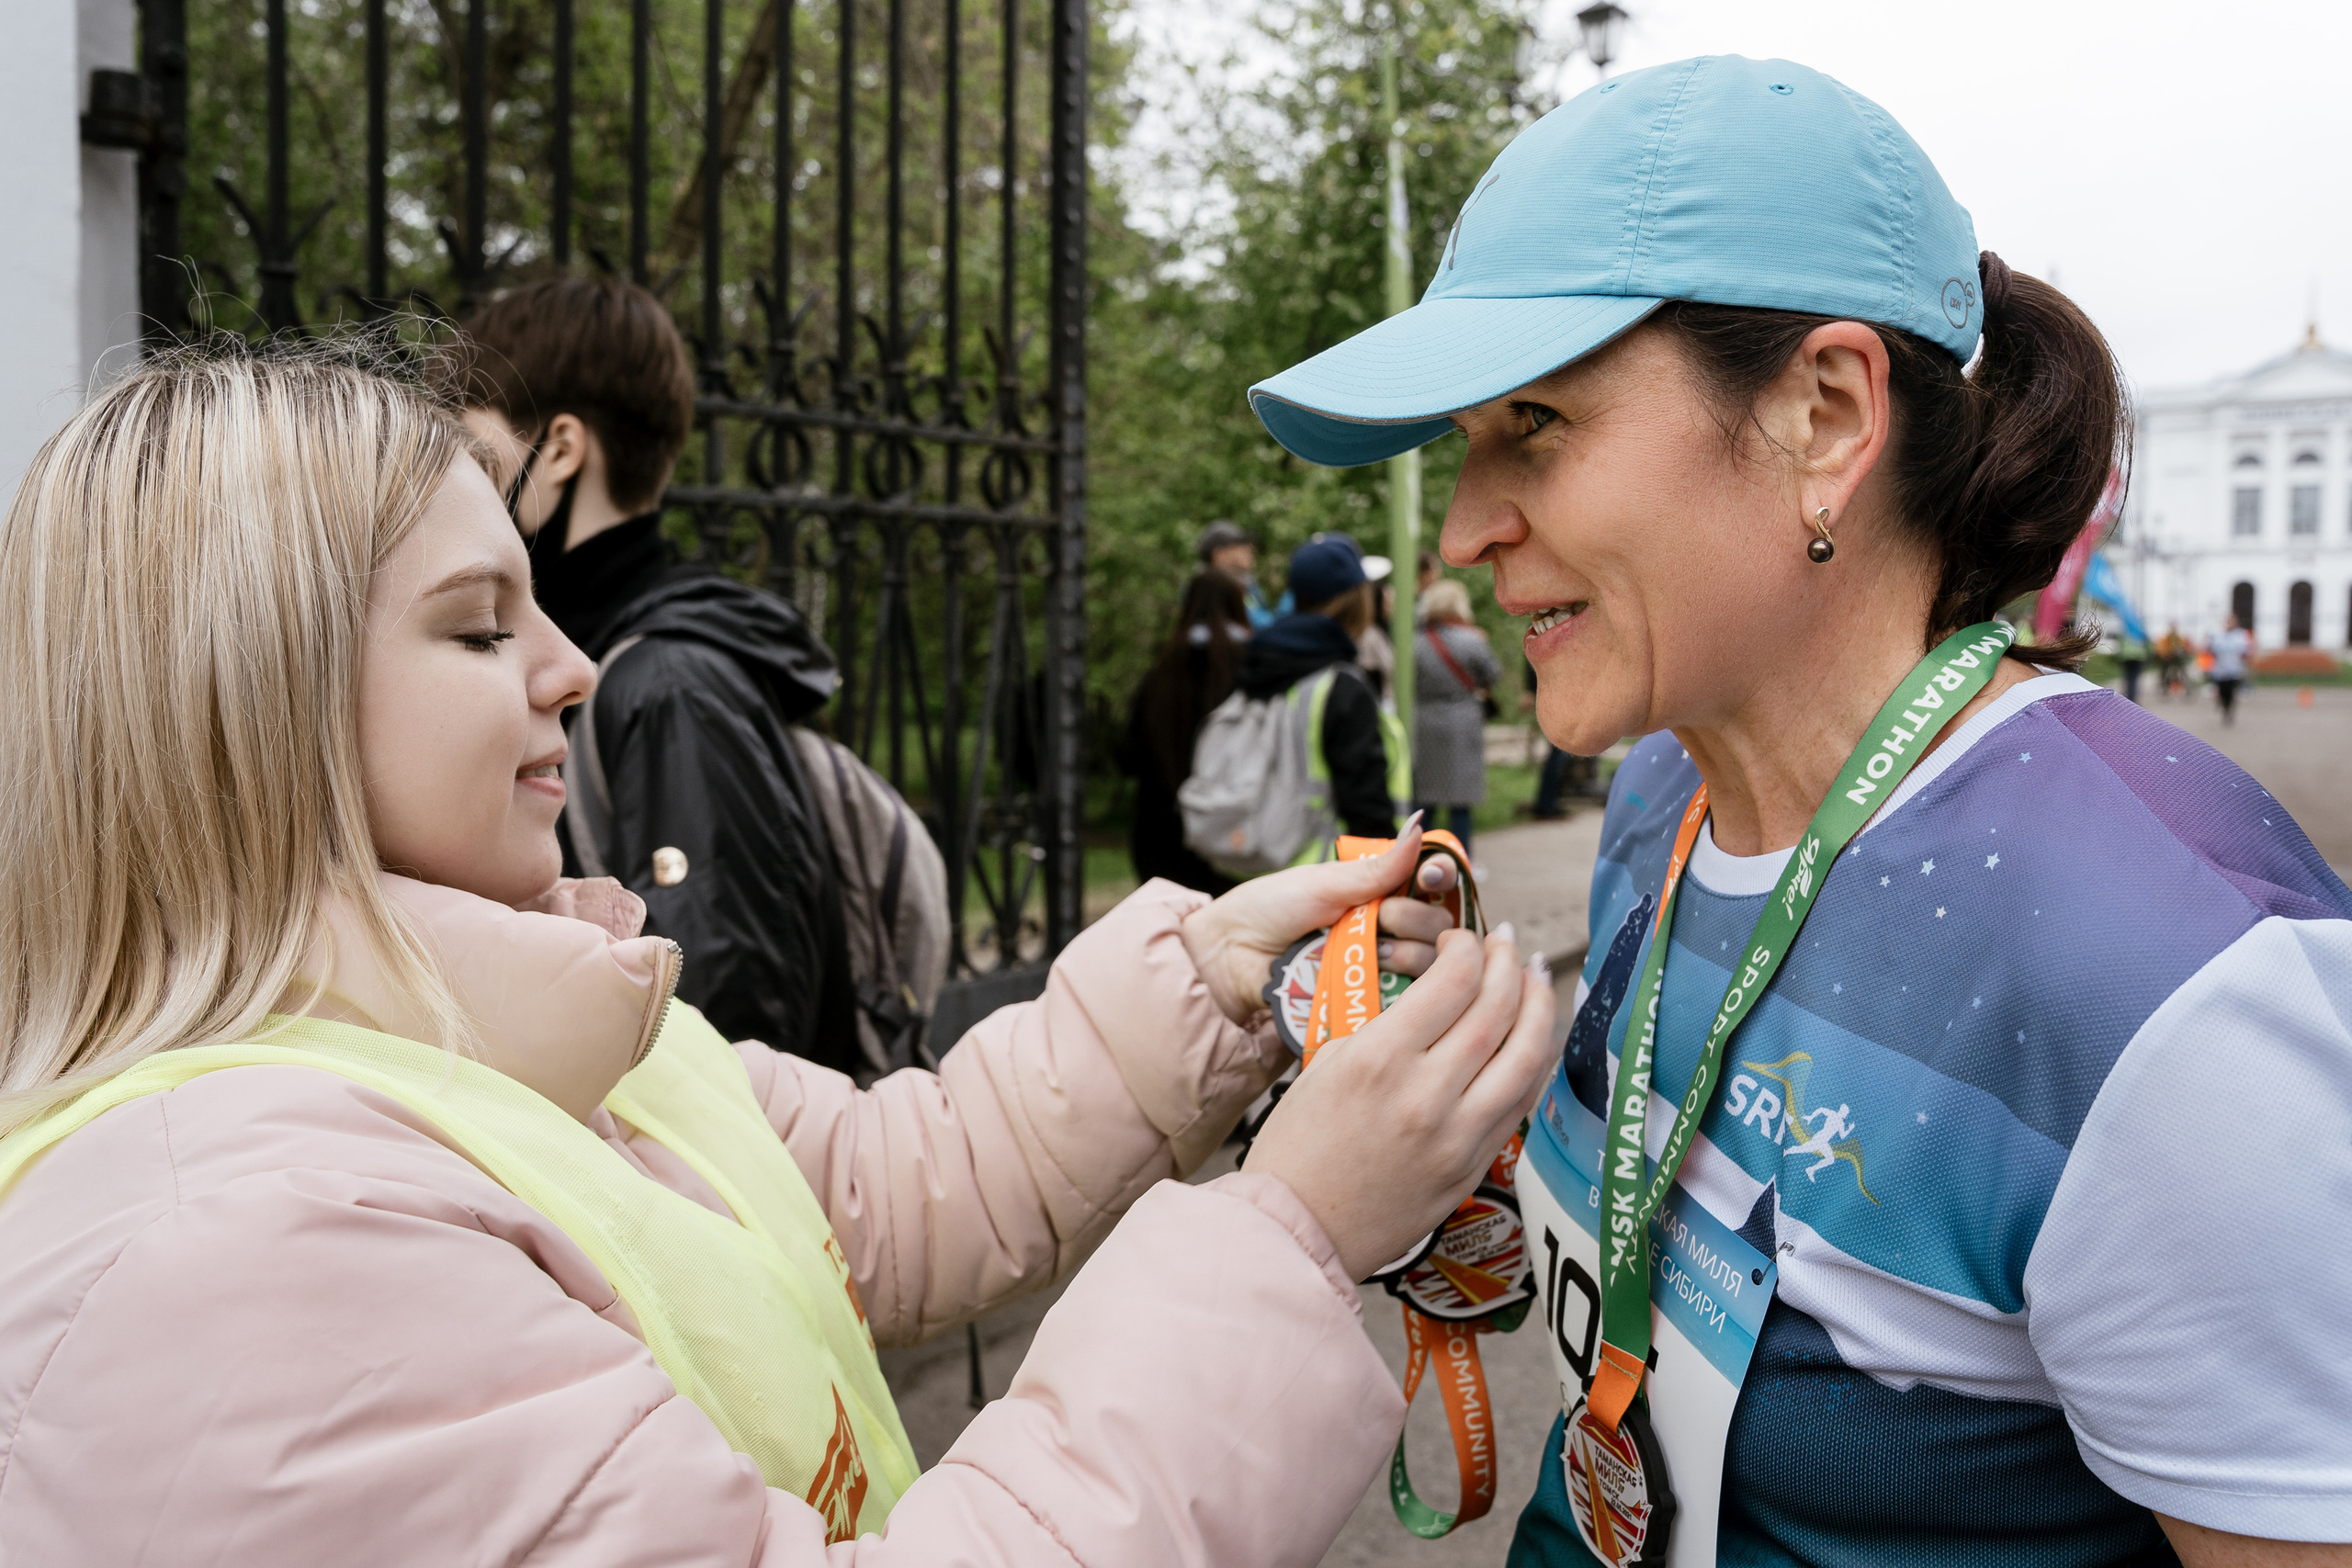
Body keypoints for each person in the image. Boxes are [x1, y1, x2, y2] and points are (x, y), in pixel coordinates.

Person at [0, 348, 1555, 1565]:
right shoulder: (241, 1265)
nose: (572, 667)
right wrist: (1288, 1230)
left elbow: (895, 1180)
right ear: (245, 717)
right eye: (480, 631)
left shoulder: (536, 1029)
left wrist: (1212, 973)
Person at [1248, 54, 2352, 1566]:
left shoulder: (2175, 973)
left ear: (1827, 414)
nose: (1458, 530)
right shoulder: (1662, 793)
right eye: (1459, 449)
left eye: (1536, 425)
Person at [435, 276, 865, 1073]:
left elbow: (725, 1020)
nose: (460, 486)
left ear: (560, 448)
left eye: (478, 453)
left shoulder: (668, 681)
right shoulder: (618, 651)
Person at [1238, 536, 1405, 849]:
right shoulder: (1342, 685)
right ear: (1357, 599)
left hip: (1265, 858)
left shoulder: (1260, 664)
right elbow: (1365, 804)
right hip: (1333, 872)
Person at [1117, 571, 1250, 894]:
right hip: (1233, 835)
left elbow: (1128, 756)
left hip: (1161, 838)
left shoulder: (1161, 674)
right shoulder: (1250, 674)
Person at [1413, 577, 1501, 852]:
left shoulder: (1413, 642)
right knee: (1460, 799)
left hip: (1423, 720)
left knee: (1423, 799)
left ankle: (1416, 857)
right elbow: (1493, 675)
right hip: (1462, 720)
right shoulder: (1472, 640)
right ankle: (1462, 858)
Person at [1196, 517, 1273, 627]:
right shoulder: (1205, 591)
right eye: (1239, 546)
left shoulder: (1248, 584)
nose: (1249, 549)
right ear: (1219, 555)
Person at [2210, 613, 2252, 725]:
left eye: (2231, 622)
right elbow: (2211, 649)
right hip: (2220, 669)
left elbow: (2246, 651)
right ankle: (2223, 706)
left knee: (2231, 692)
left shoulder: (2241, 635)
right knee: (2222, 691)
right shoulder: (2217, 635)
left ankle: (2229, 712)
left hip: (2234, 670)